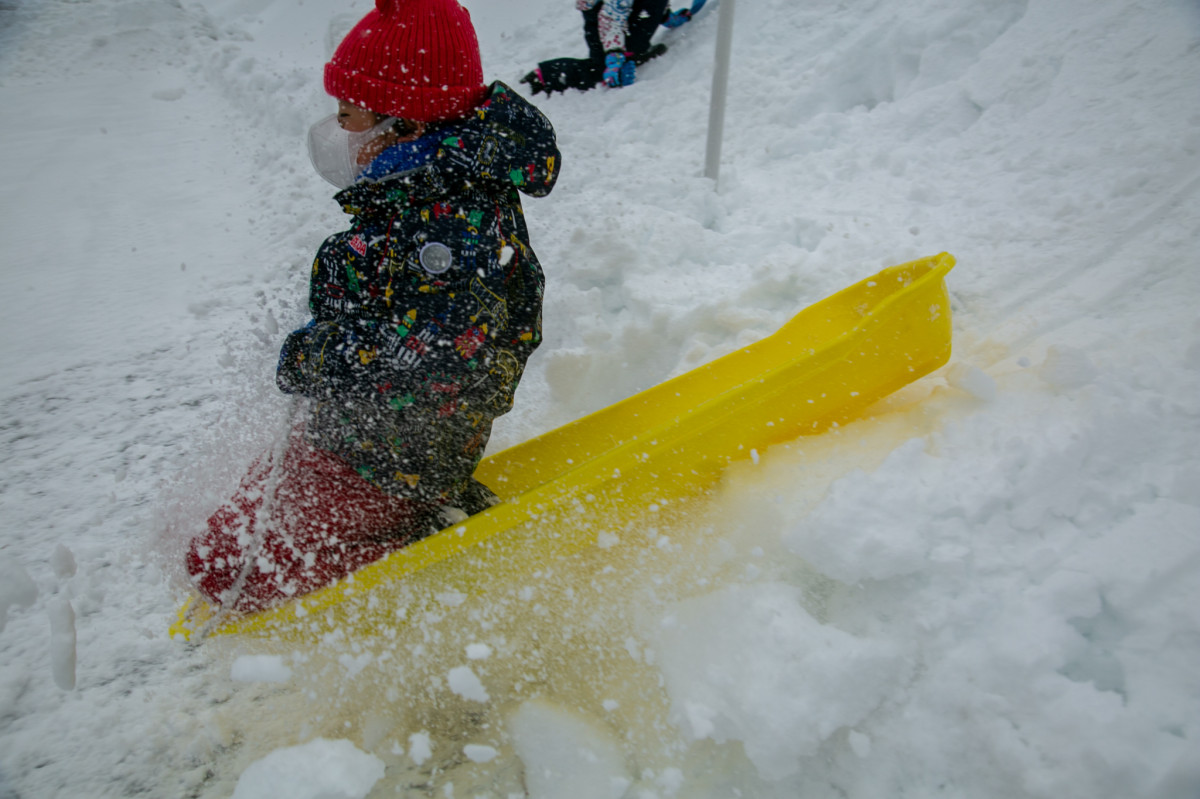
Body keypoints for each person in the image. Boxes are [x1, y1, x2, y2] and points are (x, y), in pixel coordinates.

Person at [185, 0, 560, 614]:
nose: (338, 134)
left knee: (222, 564)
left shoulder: (446, 219)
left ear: (406, 123)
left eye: (348, 115)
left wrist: (322, 355)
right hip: (357, 434)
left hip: (396, 457)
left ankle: (424, 547)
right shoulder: (416, 192)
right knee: (235, 536)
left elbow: (441, 348)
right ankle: (389, 529)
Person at [522, 0, 701, 94]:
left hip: (617, 11)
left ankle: (631, 50)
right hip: (599, 13)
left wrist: (666, 16)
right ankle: (544, 76)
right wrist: (614, 55)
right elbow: (610, 17)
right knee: (600, 70)